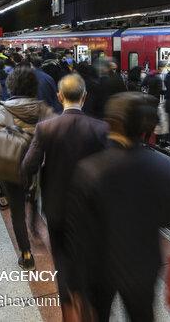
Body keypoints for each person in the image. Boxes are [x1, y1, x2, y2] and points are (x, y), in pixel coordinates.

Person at [63, 92, 170, 321]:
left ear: (111, 123)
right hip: (143, 263)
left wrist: (74, 287)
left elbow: (75, 236)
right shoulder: (165, 167)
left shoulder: (89, 170)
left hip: (98, 269)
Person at [21, 73, 108, 312]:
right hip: (91, 207)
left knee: (61, 257)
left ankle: (68, 303)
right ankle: (88, 300)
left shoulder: (45, 128)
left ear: (59, 97)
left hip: (56, 205)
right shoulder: (101, 129)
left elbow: (28, 166)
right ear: (85, 96)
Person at [0, 67, 55, 270]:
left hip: (11, 166)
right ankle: (34, 221)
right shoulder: (44, 109)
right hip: (38, 167)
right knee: (34, 199)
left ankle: (26, 254)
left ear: (11, 86)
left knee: (16, 212)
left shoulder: (3, 109)